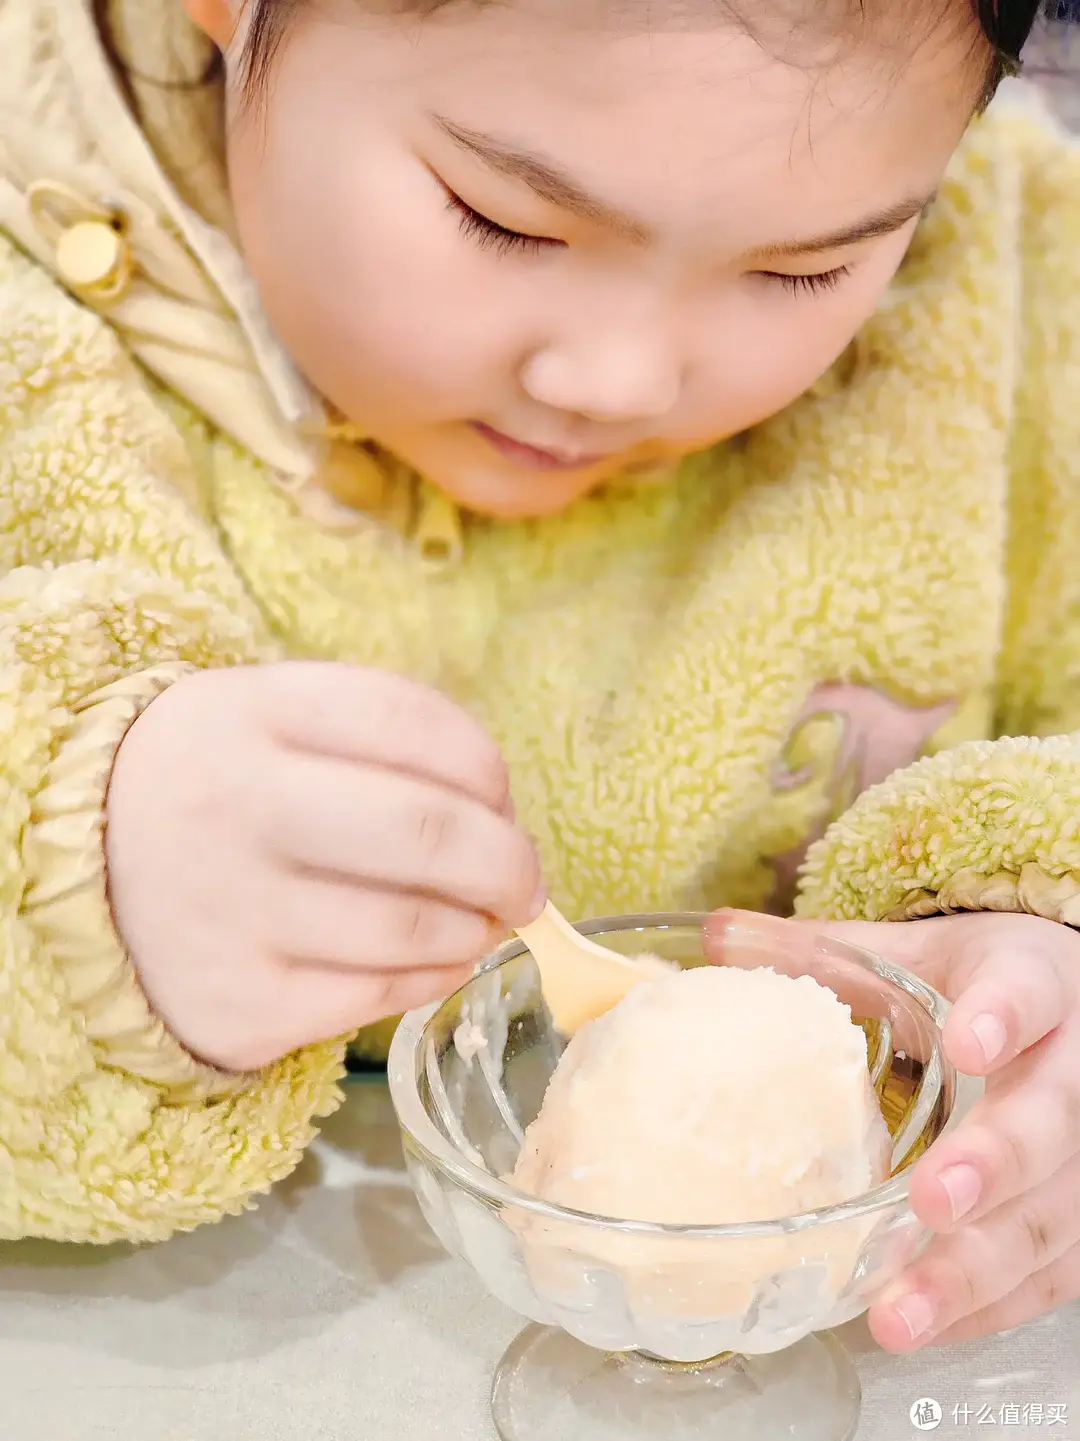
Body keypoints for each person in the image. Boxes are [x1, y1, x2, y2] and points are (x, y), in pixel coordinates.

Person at [0, 0, 1075, 1354]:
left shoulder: (1016, 278)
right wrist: (67, 886)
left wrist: (1046, 940)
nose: (616, 379)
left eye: (803, 271)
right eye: (508, 221)